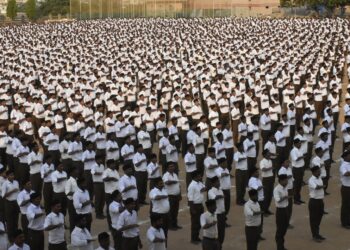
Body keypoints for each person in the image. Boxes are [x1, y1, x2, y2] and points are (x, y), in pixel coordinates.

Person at [308, 166, 326, 242]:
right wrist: (322, 186)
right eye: (318, 171)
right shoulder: (311, 180)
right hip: (314, 201)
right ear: (314, 172)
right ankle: (315, 235)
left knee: (319, 217)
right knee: (314, 219)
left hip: (320, 201)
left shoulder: (319, 178)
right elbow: (317, 187)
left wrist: (321, 186)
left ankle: (317, 233)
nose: (320, 172)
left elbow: (320, 187)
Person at [188, 170, 206, 244]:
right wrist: (192, 209)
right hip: (195, 206)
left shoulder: (199, 183)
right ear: (195, 177)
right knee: (195, 223)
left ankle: (196, 237)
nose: (200, 177)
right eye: (199, 176)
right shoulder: (192, 186)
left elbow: (205, 188)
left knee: (199, 223)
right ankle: (193, 239)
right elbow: (190, 199)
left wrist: (203, 189)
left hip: (200, 205)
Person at [162, 162, 181, 230]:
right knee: (170, 212)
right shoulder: (165, 175)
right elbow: (166, 182)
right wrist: (173, 181)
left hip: (176, 196)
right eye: (170, 166)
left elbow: (178, 185)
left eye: (173, 166)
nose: (172, 168)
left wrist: (179, 194)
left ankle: (175, 224)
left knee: (175, 211)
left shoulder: (175, 174)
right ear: (167, 168)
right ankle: (170, 226)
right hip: (170, 196)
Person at [208, 177, 225, 249]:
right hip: (216, 215)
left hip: (222, 214)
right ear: (213, 184)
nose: (219, 183)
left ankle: (219, 246)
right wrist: (220, 196)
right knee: (216, 233)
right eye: (217, 182)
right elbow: (214, 198)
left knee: (222, 233)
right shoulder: (211, 191)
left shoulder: (220, 190)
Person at [274, 174, 290, 250]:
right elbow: (278, 200)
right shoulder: (276, 189)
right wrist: (285, 197)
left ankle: (281, 246)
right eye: (285, 180)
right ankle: (279, 247)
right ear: (281, 181)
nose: (287, 181)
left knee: (284, 228)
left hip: (285, 209)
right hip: (280, 211)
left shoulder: (285, 188)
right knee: (280, 230)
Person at [2, 169, 20, 237]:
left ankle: (16, 236)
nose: (12, 176)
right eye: (10, 175)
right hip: (9, 203)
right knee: (10, 221)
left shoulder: (16, 182)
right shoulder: (5, 184)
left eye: (13, 175)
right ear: (7, 176)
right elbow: (3, 196)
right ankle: (10, 237)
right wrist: (12, 191)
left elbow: (18, 192)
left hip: (16, 202)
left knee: (16, 220)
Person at [340, 150, 350, 229]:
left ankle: (348, 221)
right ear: (346, 157)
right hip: (346, 188)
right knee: (345, 205)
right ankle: (344, 222)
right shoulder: (343, 165)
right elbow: (346, 174)